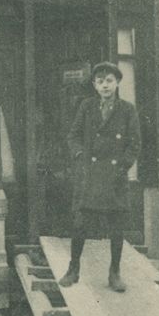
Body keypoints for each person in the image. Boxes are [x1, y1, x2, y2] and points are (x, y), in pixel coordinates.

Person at [59, 61, 141, 293]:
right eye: (100, 81)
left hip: (115, 176)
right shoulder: (87, 106)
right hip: (90, 175)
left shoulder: (127, 110)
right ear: (94, 85)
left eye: (109, 81)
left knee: (117, 227)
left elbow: (135, 143)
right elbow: (73, 136)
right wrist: (80, 156)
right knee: (80, 224)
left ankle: (115, 273)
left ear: (117, 83)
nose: (105, 85)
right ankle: (73, 269)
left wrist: (122, 166)